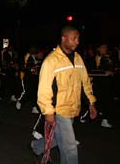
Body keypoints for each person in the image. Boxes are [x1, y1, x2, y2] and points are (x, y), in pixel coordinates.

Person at [31, 25, 97, 164]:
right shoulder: (51, 60)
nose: (77, 42)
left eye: (78, 38)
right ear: (64, 38)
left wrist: (91, 102)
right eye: (74, 38)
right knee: (70, 147)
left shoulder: (78, 58)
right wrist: (48, 111)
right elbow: (44, 89)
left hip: (73, 107)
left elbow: (85, 82)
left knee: (57, 137)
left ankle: (36, 146)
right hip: (59, 109)